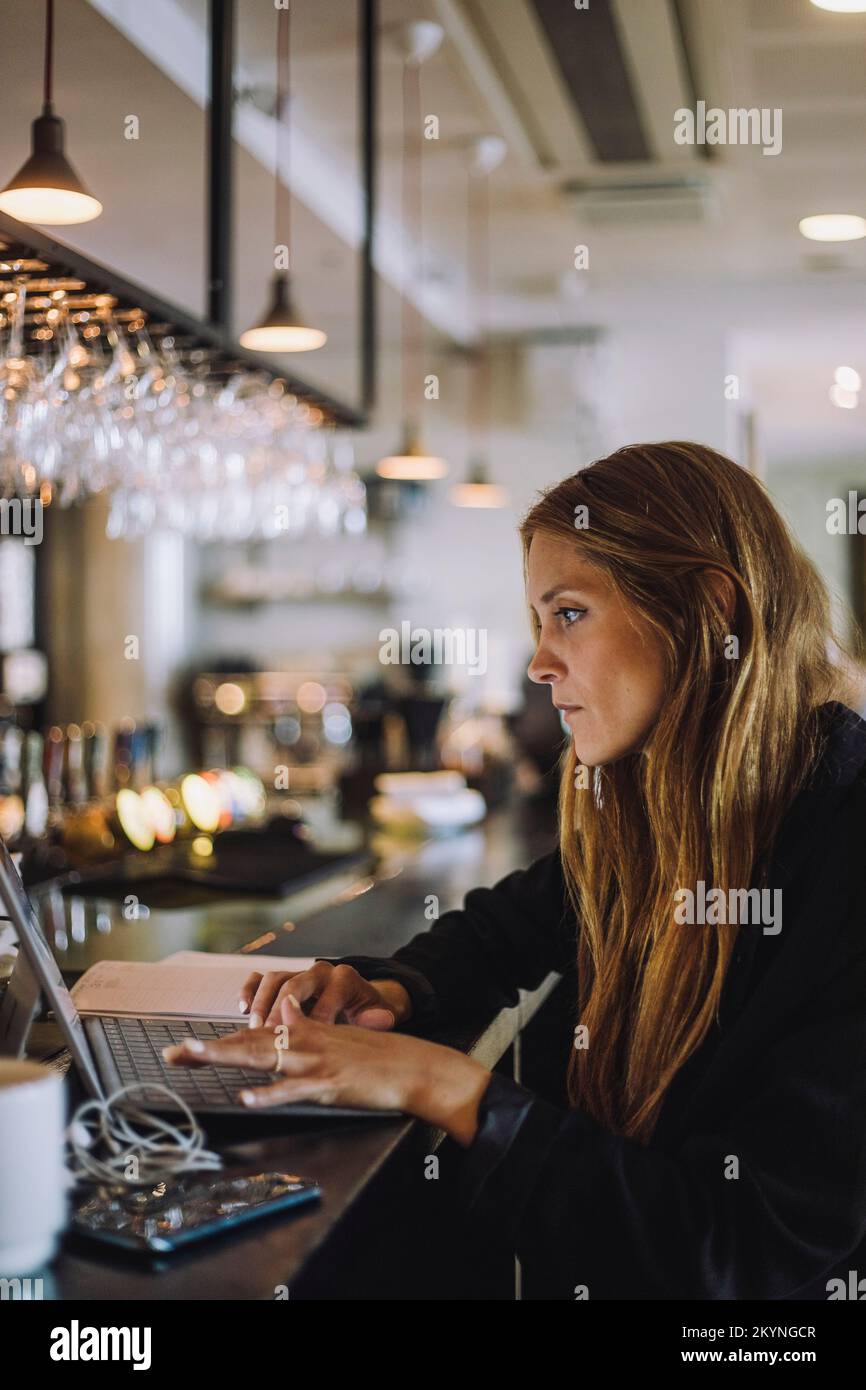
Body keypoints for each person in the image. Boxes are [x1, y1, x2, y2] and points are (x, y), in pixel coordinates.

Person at [165, 441, 866, 1301]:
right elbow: (513, 924)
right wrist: (394, 990)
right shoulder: (662, 810)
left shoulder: (842, 852)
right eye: (539, 621)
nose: (538, 662)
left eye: (568, 613)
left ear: (705, 610)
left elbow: (738, 1257)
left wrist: (445, 1084)